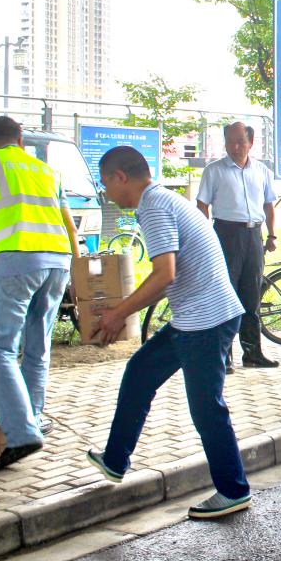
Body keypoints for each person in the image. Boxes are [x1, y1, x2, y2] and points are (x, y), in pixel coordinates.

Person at [84, 146, 251, 520]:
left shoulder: (154, 208)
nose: (106, 192)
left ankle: (233, 490)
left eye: (106, 183)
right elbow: (167, 279)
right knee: (140, 372)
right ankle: (115, 460)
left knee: (206, 408)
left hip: (205, 322)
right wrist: (123, 311)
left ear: (121, 177)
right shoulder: (162, 200)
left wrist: (117, 314)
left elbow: (164, 275)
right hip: (195, 319)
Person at [0, 115, 80, 472]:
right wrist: (78, 275)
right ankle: (33, 420)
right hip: (58, 262)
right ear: (20, 140)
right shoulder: (46, 170)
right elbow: (70, 227)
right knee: (37, 347)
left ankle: (23, 434)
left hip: (16, 262)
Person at [196, 122, 279, 373]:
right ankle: (224, 356)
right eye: (230, 142)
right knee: (226, 296)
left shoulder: (262, 171)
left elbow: (268, 205)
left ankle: (253, 353)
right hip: (226, 235)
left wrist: (272, 235)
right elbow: (202, 206)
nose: (235, 147)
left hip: (254, 235)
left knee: (251, 296)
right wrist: (205, 237)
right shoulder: (214, 171)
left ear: (251, 143)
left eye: (241, 142)